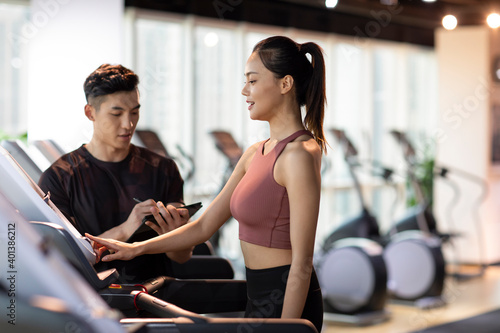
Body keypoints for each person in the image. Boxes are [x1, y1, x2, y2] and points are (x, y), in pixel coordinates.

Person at [87, 36, 326, 331]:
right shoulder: (255, 153)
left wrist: (288, 327)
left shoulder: (299, 154)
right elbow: (204, 226)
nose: (244, 90)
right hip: (258, 291)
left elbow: (302, 263)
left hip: (290, 293)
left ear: (285, 84)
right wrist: (135, 248)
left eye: (252, 81)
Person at [39, 64, 192, 283]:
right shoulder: (59, 178)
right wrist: (125, 229)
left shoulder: (164, 169)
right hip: (92, 298)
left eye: (135, 112)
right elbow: (62, 259)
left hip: (155, 297)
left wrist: (176, 235)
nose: (128, 124)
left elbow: (182, 257)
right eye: (116, 113)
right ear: (90, 112)